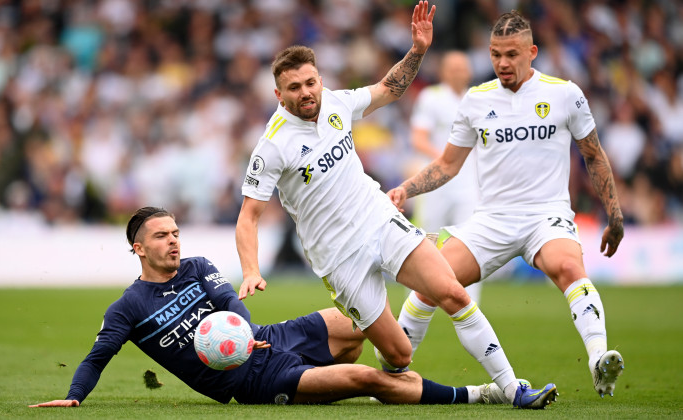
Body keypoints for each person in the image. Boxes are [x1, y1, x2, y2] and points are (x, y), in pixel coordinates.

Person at [236, 1, 556, 409]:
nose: (306, 93)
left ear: (320, 80)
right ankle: (392, 378)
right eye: (295, 88)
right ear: (279, 94)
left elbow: (389, 88)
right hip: (338, 257)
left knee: (452, 293)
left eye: (311, 83)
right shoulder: (272, 146)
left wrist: (419, 50)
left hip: (379, 219)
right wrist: (250, 270)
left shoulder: (336, 102)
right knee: (400, 354)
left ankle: (512, 390)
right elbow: (249, 217)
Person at [29, 206, 510, 407]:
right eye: (161, 236)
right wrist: (75, 395)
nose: (174, 242)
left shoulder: (197, 266)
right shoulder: (129, 308)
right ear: (138, 248)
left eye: (175, 233)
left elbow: (228, 301)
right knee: (367, 379)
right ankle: (478, 394)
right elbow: (98, 356)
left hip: (269, 339)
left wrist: (242, 327)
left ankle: (395, 354)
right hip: (252, 379)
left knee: (363, 320)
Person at [387, 10, 625, 398]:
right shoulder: (477, 100)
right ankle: (395, 365)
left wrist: (615, 216)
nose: (502, 63)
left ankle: (599, 359)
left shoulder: (565, 94)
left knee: (567, 266)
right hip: (491, 220)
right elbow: (448, 163)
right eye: (496, 54)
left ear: (532, 52)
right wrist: (406, 190)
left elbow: (593, 154)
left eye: (511, 54)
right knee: (432, 282)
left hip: (545, 216)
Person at [401, 51, 481, 356]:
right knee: (426, 244)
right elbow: (417, 138)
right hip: (436, 184)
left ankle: (470, 310)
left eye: (463, 67)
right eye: (453, 67)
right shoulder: (431, 98)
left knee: (470, 242)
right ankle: (415, 310)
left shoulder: (476, 98)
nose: (459, 72)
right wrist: (445, 160)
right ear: (444, 71)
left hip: (468, 184)